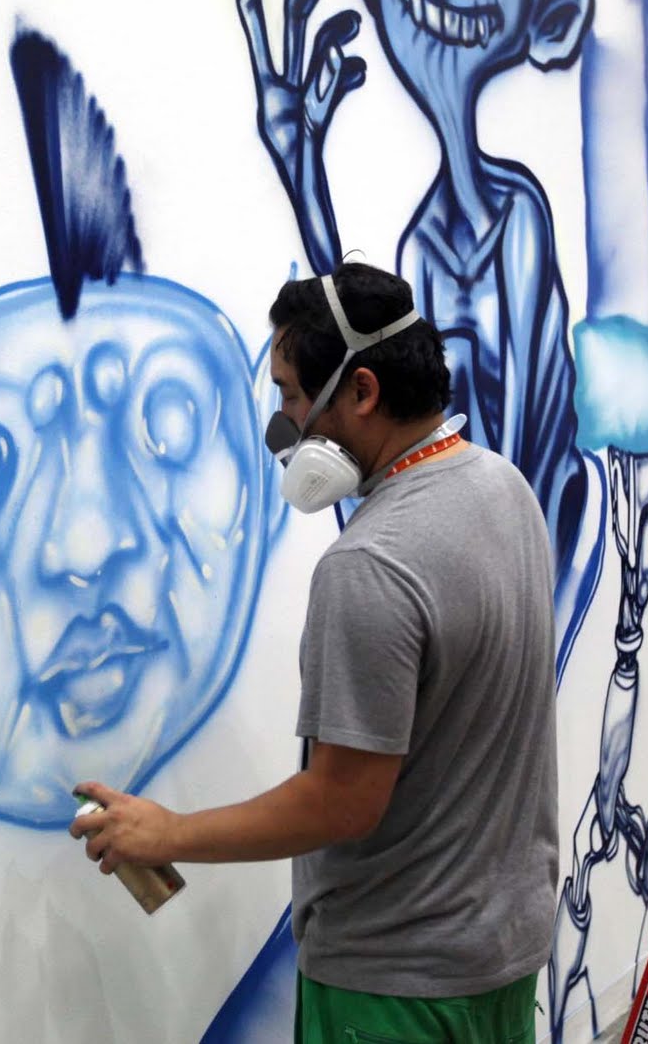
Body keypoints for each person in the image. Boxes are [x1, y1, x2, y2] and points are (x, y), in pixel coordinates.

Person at [70, 262, 560, 1043]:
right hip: (502, 957)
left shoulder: (370, 563)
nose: (284, 425)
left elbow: (342, 802)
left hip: (395, 988)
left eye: (293, 396)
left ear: (361, 390)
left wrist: (168, 833)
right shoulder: (504, 488)